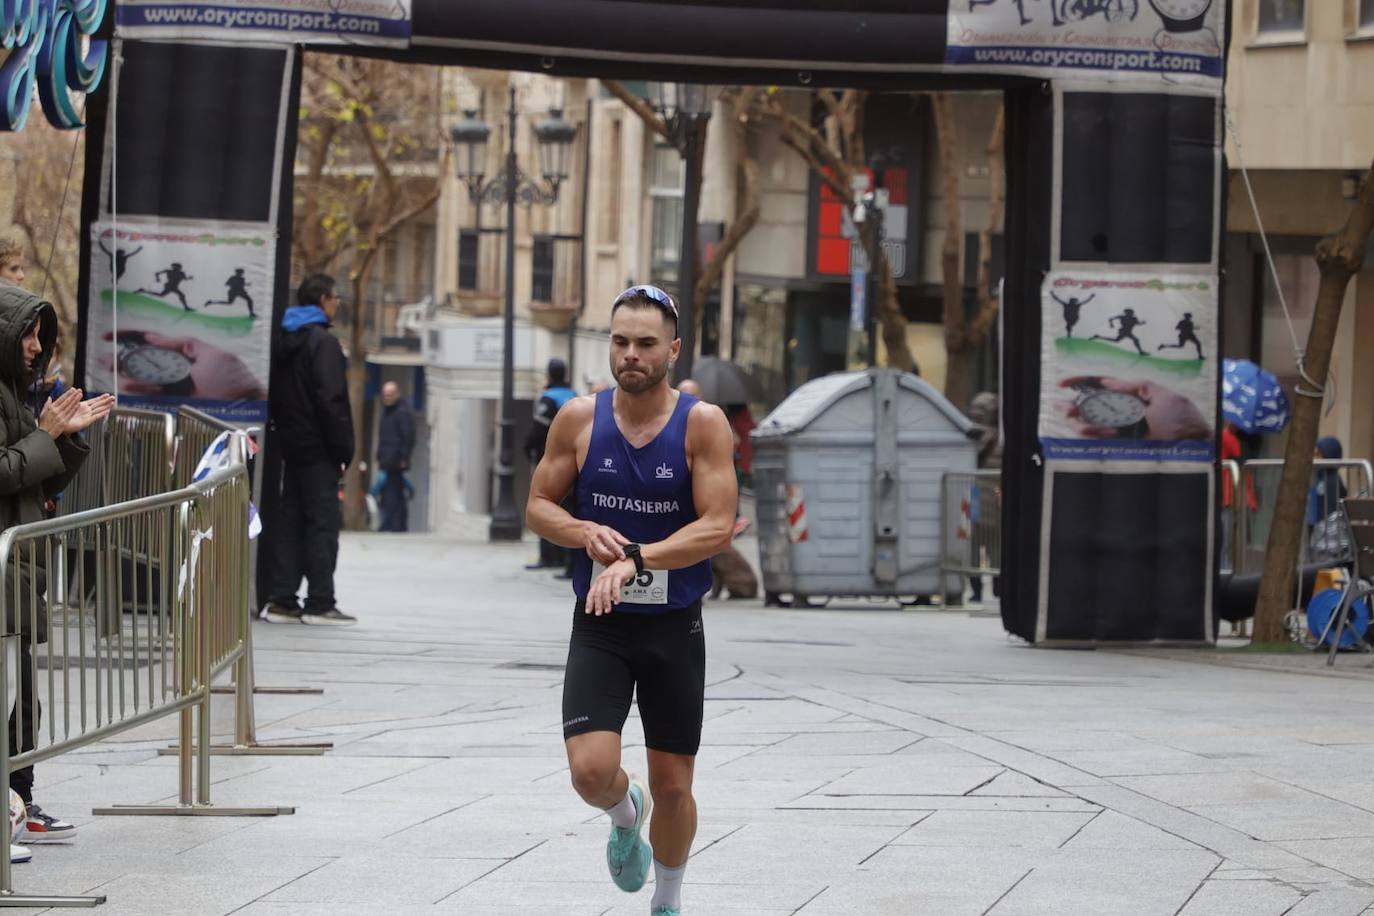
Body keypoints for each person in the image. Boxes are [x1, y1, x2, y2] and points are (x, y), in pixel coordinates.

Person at [527, 285, 737, 916]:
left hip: (674, 627)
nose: (631, 355)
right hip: (602, 623)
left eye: (646, 344)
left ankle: (667, 902)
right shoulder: (579, 419)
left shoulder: (702, 424)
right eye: (620, 342)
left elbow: (718, 524)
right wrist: (584, 531)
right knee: (590, 771)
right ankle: (626, 812)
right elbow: (538, 505)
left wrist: (637, 557)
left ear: (672, 349)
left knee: (675, 785)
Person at [0, 286, 114, 861]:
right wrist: (46, 434)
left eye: (40, 336)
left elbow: (37, 480)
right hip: (5, 568)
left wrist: (63, 440)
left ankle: (17, 806)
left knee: (21, 700)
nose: (35, 346)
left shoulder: (17, 394)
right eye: (27, 334)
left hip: (18, 571)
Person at [264, 274, 356, 626]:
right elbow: (331, 399)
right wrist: (344, 448)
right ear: (322, 300)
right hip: (320, 448)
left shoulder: (286, 340)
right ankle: (320, 600)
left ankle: (283, 598)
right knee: (322, 523)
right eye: (335, 298)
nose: (337, 305)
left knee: (291, 521)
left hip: (291, 445)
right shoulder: (323, 344)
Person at [524, 358, 577, 573]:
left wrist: (528, 449)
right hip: (574, 461)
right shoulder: (574, 396)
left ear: (548, 375)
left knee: (545, 503)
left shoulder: (548, 398)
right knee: (570, 510)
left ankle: (549, 556)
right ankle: (566, 560)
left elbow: (538, 429)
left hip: (550, 458)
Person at [966, 392, 1001, 606]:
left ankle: (978, 589)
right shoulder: (1000, 438)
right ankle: (996, 587)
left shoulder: (973, 437)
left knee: (974, 546)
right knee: (994, 546)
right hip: (993, 500)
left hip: (977, 498)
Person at [376, 381, 415, 533]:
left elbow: (408, 436)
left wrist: (404, 457)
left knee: (394, 493)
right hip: (387, 458)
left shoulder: (401, 412)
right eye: (385, 395)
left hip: (396, 459)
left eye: (390, 394)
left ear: (397, 394)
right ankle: (396, 524)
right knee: (393, 493)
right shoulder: (387, 412)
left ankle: (392, 524)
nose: (387, 397)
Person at [1307, 436, 1347, 536]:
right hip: (1316, 528)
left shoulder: (1332, 480)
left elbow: (1331, 509)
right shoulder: (1317, 476)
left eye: (1318, 455)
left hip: (1328, 532)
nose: (1314, 459)